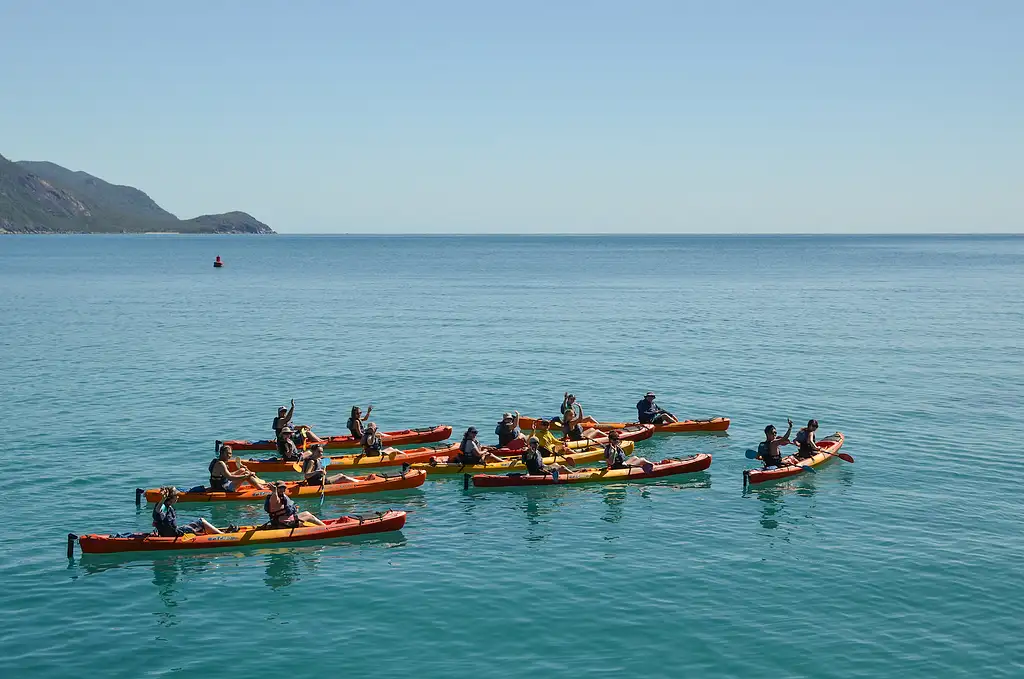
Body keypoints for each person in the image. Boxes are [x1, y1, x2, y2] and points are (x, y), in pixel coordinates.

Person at [152, 487, 222, 537]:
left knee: (197, 525)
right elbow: (158, 510)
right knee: (201, 521)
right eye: (176, 496)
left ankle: (211, 533)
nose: (178, 497)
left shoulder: (168, 506)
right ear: (170, 498)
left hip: (173, 532)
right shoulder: (163, 507)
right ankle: (222, 535)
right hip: (175, 534)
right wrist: (163, 499)